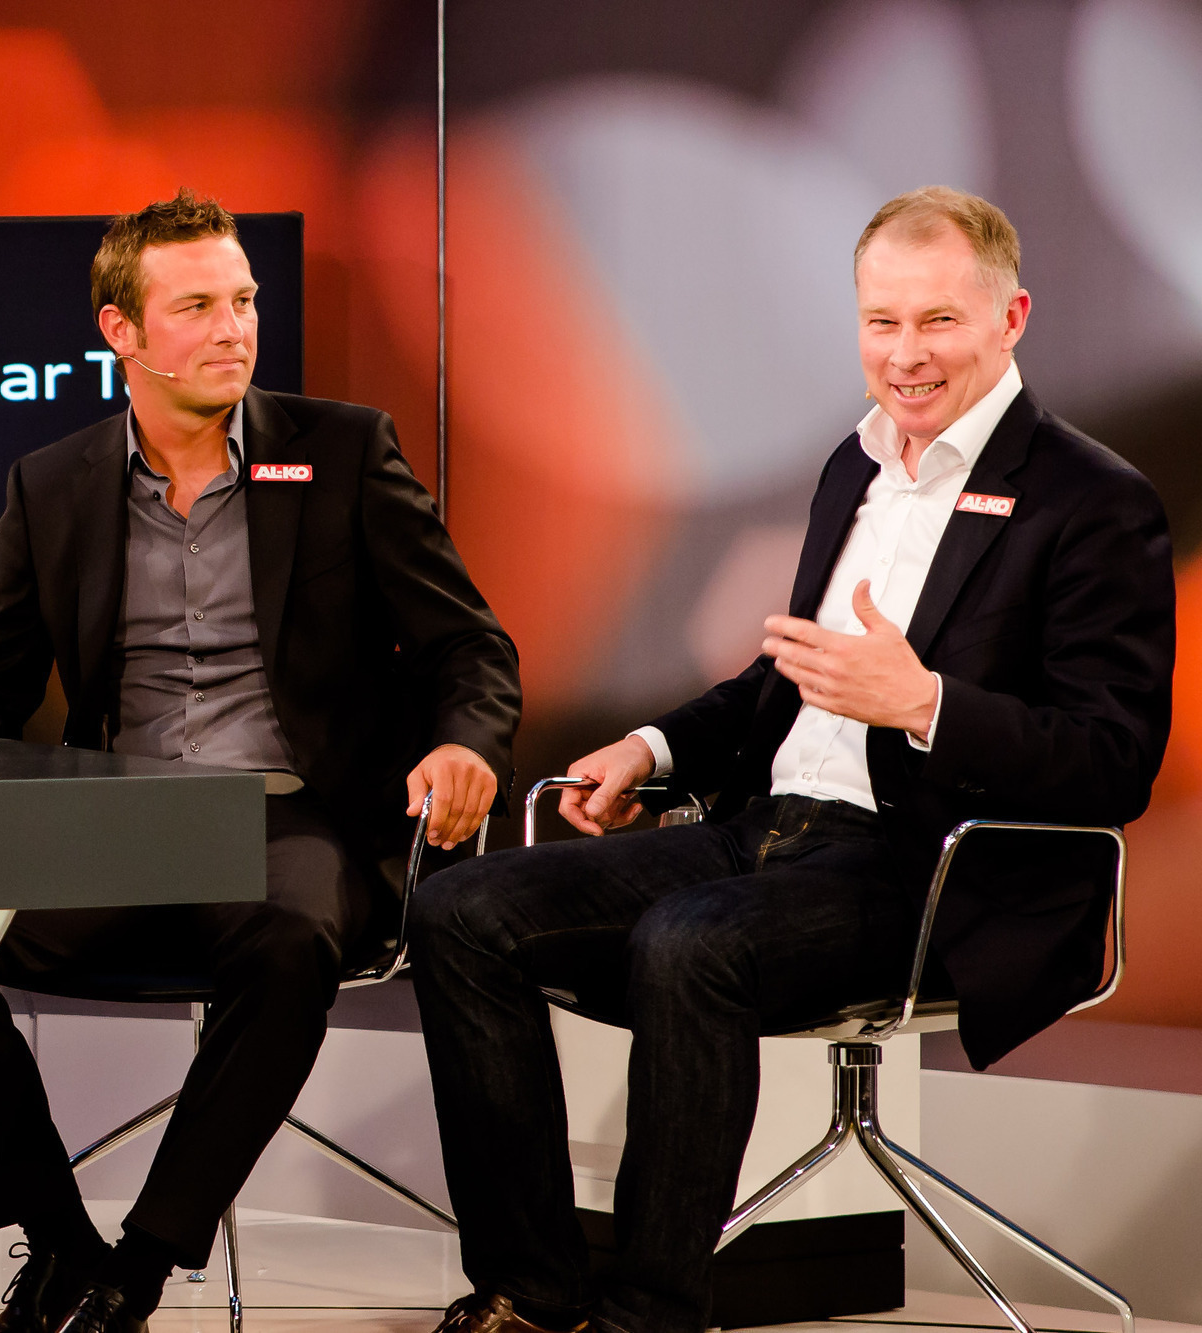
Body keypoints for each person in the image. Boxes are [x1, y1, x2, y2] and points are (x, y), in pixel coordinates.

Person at [411, 186, 1174, 1333]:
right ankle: (531, 1284)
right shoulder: (850, 468)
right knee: (459, 909)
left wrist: (924, 703)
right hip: (764, 831)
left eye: (936, 323)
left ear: (1009, 317)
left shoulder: (1091, 500)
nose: (902, 356)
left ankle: (646, 1312)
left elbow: (1111, 763)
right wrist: (653, 744)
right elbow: (787, 682)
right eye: (879, 322)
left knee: (688, 942)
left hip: (923, 870)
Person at [0, 189, 521, 1333]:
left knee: (291, 939)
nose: (234, 328)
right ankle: (57, 1243)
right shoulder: (50, 485)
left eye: (243, 301)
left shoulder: (342, 452)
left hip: (291, 816)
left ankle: (135, 1271)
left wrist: (462, 741)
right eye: (195, 305)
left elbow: (468, 646)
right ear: (122, 333)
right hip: (116, 823)